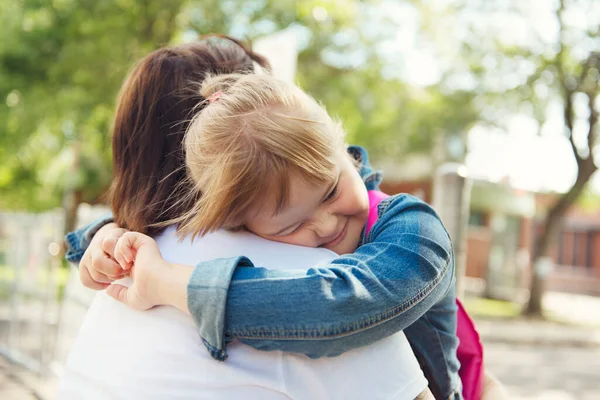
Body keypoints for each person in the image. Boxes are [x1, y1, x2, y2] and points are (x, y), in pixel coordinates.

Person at [59, 37, 433, 399]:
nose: (327, 225)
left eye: (331, 190)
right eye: (290, 224)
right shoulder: (303, 270)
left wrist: (143, 265)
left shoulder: (126, 268)